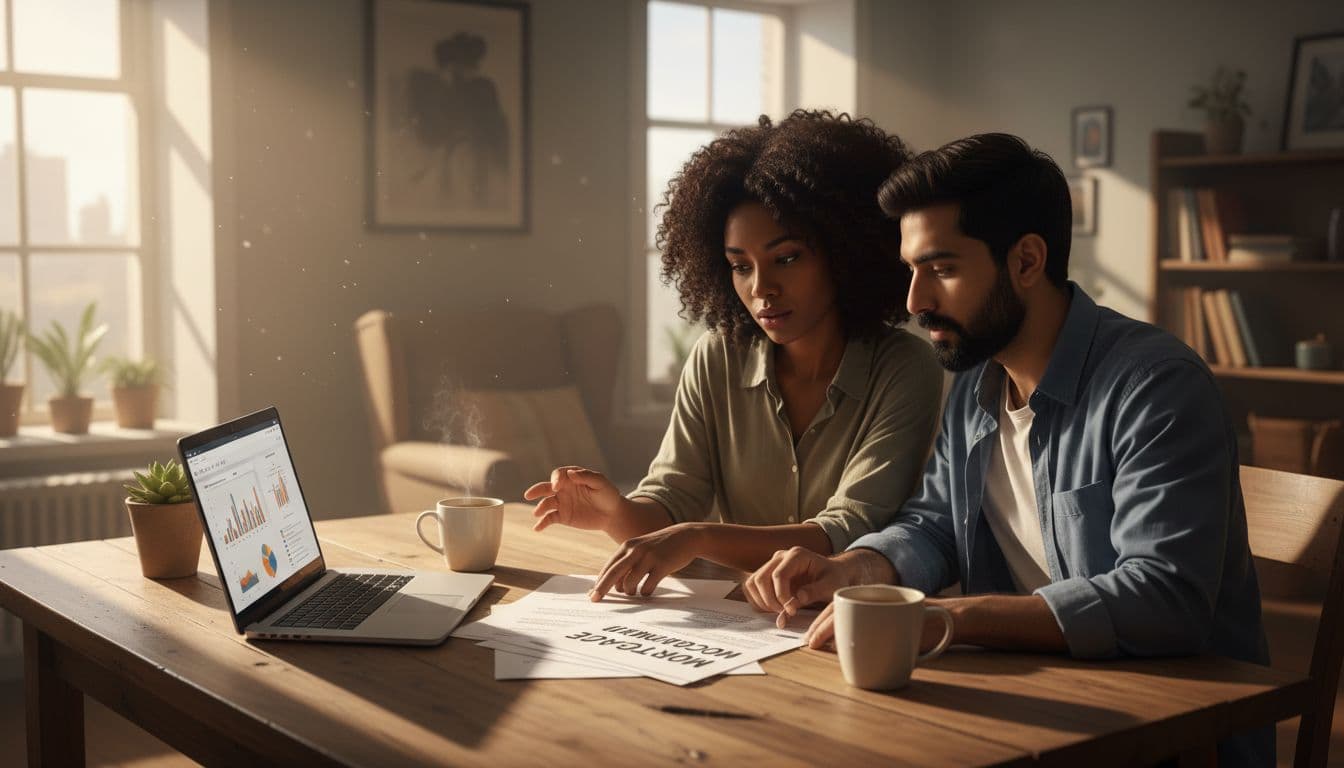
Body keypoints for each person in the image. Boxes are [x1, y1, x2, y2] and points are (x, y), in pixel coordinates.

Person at [744, 133, 1270, 766]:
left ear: (1026, 261)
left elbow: (1166, 599)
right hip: (1035, 713)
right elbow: (934, 525)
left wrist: (950, 619)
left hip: (1166, 736)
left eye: (940, 269)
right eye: (912, 270)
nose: (915, 302)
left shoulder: (1156, 386)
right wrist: (855, 571)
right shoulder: (975, 385)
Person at [524, 110, 943, 602]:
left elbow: (849, 531)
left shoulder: (904, 368)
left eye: (786, 258)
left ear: (844, 252)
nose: (761, 288)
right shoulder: (716, 357)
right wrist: (615, 513)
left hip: (849, 624)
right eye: (740, 266)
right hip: (739, 627)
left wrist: (697, 537)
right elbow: (672, 500)